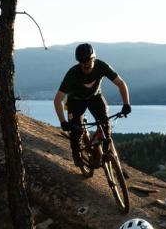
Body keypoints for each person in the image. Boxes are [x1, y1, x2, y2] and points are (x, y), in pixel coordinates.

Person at [54, 42, 131, 173]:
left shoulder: (101, 66)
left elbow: (121, 83)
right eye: (82, 61)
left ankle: (106, 154)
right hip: (75, 101)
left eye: (88, 60)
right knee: (76, 130)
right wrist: (63, 122)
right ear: (79, 62)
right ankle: (76, 153)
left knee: (105, 124)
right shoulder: (72, 74)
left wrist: (126, 104)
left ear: (93, 58)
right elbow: (58, 100)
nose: (86, 63)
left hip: (95, 97)